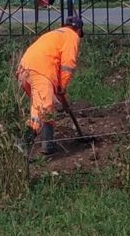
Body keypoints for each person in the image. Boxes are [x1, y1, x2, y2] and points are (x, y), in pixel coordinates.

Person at [16, 16, 81, 157]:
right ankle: (23, 143)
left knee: (43, 107)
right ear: (79, 30)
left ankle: (48, 145)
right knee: (43, 109)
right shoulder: (72, 36)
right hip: (41, 71)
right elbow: (67, 65)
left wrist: (59, 90)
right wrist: (62, 86)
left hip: (24, 70)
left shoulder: (55, 34)